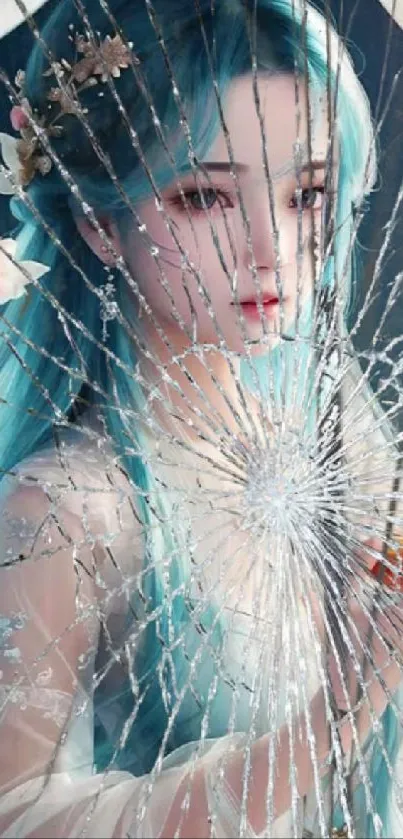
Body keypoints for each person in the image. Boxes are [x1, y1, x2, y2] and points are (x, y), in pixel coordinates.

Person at [0, 0, 402, 836]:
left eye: (307, 193)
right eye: (203, 197)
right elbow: (20, 816)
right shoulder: (68, 511)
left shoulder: (335, 431)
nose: (271, 249)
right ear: (99, 222)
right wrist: (329, 719)